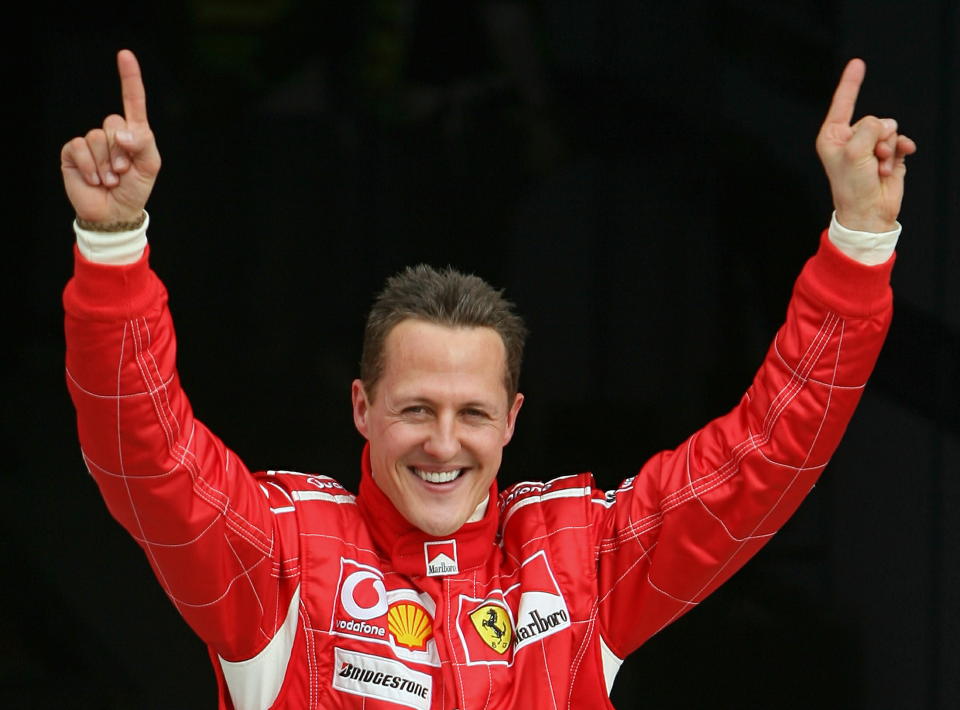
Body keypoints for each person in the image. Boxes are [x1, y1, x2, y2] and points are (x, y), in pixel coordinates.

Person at [62, 49, 915, 710]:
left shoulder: (580, 565)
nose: (443, 442)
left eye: (471, 412)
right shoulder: (279, 561)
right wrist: (112, 247)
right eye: (415, 409)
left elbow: (764, 456)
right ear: (362, 408)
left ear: (511, 420)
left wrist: (859, 245)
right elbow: (148, 454)